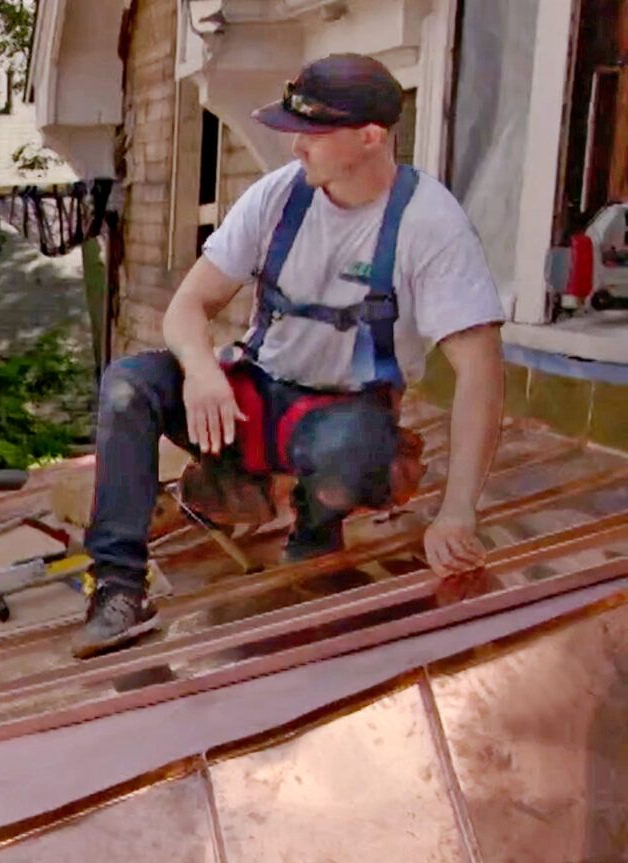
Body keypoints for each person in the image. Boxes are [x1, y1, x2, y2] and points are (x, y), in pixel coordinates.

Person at [75, 53, 506, 658]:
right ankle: (119, 586)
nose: (296, 146)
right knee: (128, 385)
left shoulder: (428, 225)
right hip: (251, 396)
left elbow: (482, 372)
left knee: (353, 453)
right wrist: (201, 374)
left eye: (312, 132)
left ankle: (315, 531)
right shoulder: (279, 198)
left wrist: (458, 513)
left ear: (369, 136)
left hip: (338, 417)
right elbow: (186, 307)